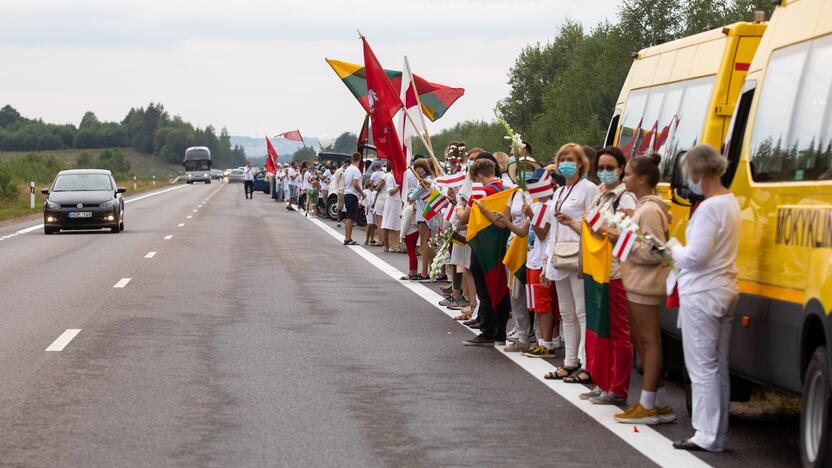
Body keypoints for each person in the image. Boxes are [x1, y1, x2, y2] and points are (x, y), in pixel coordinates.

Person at [666, 144, 740, 452]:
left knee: (702, 368)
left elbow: (694, 256)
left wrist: (672, 247)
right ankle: (716, 433)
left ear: (697, 172)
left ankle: (706, 434)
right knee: (718, 368)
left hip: (703, 291)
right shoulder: (730, 202)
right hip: (724, 288)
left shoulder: (709, 208)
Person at [613, 153, 674, 424]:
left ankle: (647, 403)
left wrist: (623, 238)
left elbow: (654, 252)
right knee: (643, 341)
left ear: (642, 179)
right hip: (637, 281)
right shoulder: (644, 208)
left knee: (649, 343)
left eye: (627, 174)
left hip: (645, 283)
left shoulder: (649, 211)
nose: (623, 178)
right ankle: (658, 401)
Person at [581, 147, 637, 405]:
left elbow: (625, 235)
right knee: (601, 329)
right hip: (598, 271)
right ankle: (604, 381)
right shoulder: (602, 196)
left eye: (609, 167)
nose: (604, 171)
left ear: (621, 168)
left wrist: (599, 227)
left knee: (618, 332)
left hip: (616, 271)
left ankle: (618, 388)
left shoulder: (625, 199)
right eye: (600, 167)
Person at [541, 143, 599, 381]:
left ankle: (587, 363)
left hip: (579, 256)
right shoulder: (559, 192)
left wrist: (588, 260)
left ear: (580, 163)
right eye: (562, 159)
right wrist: (547, 263)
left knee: (582, 311)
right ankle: (570, 361)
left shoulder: (589, 189)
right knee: (566, 312)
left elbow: (593, 226)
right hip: (559, 255)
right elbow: (554, 229)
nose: (566, 163)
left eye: (571, 159)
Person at [460, 155, 511, 346]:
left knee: (485, 291)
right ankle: (500, 332)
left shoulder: (481, 192)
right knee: (500, 287)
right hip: (500, 245)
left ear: (479, 175)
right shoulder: (506, 189)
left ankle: (487, 331)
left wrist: (458, 208)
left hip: (482, 246)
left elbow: (464, 218)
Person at [409, 158, 438, 281]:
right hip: (427, 214)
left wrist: (411, 192)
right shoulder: (426, 180)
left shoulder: (425, 181)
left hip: (424, 214)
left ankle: (424, 272)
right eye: (416, 168)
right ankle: (431, 270)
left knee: (424, 243)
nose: (417, 170)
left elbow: (412, 197)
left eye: (420, 167)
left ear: (425, 167)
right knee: (428, 243)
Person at [342, 152, 364, 245]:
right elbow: (355, 184)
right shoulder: (356, 170)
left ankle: (347, 237)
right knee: (350, 217)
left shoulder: (347, 169)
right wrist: (362, 193)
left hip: (347, 193)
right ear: (359, 159)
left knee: (349, 216)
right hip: (352, 195)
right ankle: (348, 238)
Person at [381, 162, 402, 253]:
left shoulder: (396, 176)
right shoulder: (390, 177)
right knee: (389, 224)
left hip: (396, 202)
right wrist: (398, 187)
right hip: (391, 202)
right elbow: (390, 191)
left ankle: (389, 245)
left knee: (392, 224)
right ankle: (390, 245)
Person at [334, 159, 349, 227]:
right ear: (344, 163)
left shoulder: (350, 170)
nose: (347, 164)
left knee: (348, 207)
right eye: (346, 163)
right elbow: (336, 181)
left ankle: (347, 220)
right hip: (341, 190)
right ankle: (338, 221)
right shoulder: (339, 171)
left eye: (348, 163)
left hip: (348, 190)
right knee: (339, 207)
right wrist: (338, 190)